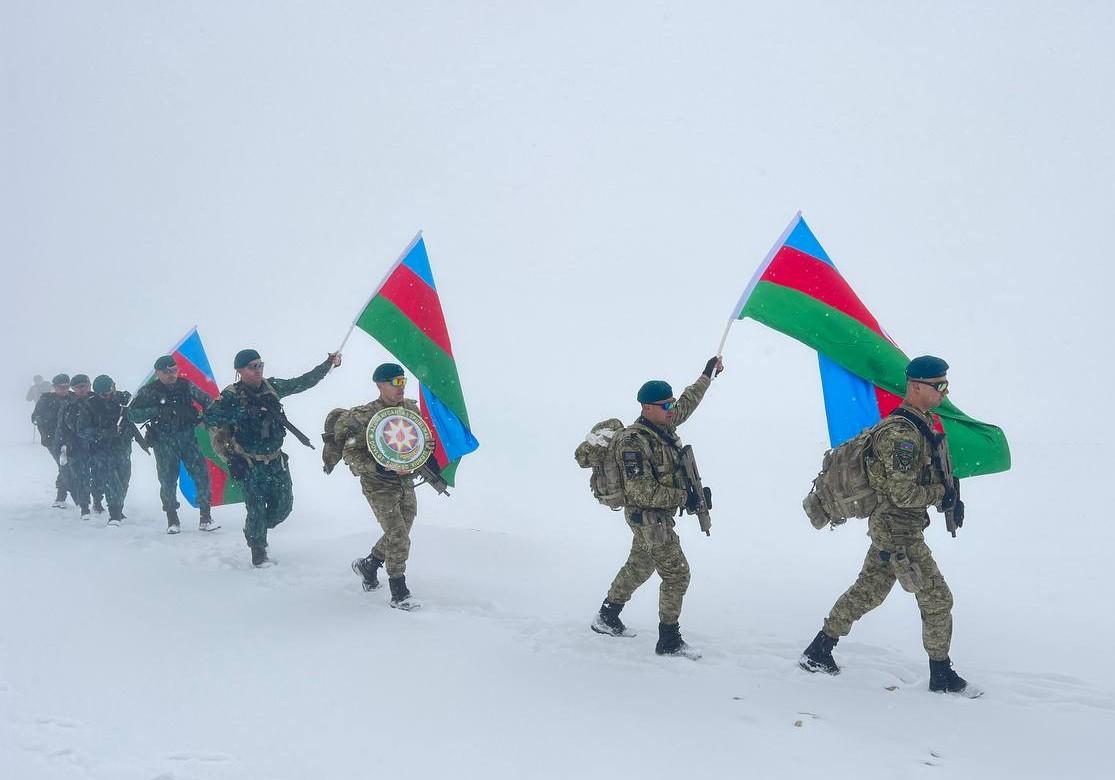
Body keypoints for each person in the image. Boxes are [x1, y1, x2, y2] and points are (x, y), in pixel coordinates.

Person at [799, 355, 976, 696]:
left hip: (894, 527)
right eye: (939, 385)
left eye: (945, 384)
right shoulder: (901, 436)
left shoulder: (920, 424)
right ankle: (941, 675)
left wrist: (947, 494)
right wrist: (941, 493)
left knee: (868, 592)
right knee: (938, 599)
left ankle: (819, 650)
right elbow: (902, 493)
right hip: (898, 532)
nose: (944, 392)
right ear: (917, 387)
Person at [591, 356, 723, 659]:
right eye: (665, 405)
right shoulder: (633, 443)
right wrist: (685, 498)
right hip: (648, 518)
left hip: (656, 516)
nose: (671, 409)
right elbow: (640, 491)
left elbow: (687, 402)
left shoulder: (664, 424)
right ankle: (669, 640)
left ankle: (607, 615)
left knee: (640, 565)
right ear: (646, 408)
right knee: (677, 575)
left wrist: (707, 374)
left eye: (671, 403)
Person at [203, 348, 341, 567]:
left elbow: (302, 382)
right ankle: (258, 551)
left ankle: (254, 528)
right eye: (252, 367)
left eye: (260, 365)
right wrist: (240, 415)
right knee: (256, 507)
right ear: (240, 370)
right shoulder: (231, 395)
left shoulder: (272, 387)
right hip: (249, 463)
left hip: (276, 461)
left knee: (283, 508)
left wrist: (328, 364)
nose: (258, 370)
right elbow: (210, 417)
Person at [337, 363, 437, 610]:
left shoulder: (410, 410)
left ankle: (369, 565)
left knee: (401, 531)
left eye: (403, 382)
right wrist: (380, 468)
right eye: (396, 383)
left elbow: (417, 442)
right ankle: (399, 592)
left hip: (405, 481)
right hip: (378, 484)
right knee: (398, 536)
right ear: (380, 385)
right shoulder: (363, 416)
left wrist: (427, 448)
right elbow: (351, 454)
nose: (401, 388)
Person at [128, 355, 215, 533]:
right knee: (167, 481)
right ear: (158, 373)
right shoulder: (149, 391)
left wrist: (202, 418)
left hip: (187, 438)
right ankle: (172, 519)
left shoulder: (185, 386)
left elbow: (209, 402)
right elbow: (133, 414)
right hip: (164, 442)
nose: (171, 374)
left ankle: (205, 516)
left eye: (174, 370)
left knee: (201, 475)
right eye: (166, 372)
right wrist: (157, 410)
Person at [84, 375, 141, 526]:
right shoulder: (90, 405)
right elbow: (83, 429)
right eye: (104, 395)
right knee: (111, 480)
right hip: (102, 449)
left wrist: (131, 408)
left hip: (123, 447)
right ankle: (114, 513)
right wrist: (105, 432)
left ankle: (118, 507)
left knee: (123, 479)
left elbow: (138, 411)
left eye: (110, 391)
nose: (108, 396)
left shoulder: (124, 399)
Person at [54, 374, 95, 520]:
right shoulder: (69, 405)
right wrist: (60, 446)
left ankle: (98, 502)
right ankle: (84, 507)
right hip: (77, 447)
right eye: (78, 387)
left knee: (99, 477)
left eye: (84, 385)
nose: (82, 389)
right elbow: (61, 428)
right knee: (81, 478)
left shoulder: (97, 401)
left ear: (89, 385)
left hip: (98, 446)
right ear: (73, 388)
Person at [32, 374, 74, 508]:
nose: (64, 389)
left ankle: (65, 497)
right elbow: (35, 417)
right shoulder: (46, 399)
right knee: (64, 466)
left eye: (66, 386)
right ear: (54, 387)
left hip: (71, 439)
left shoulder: (73, 398)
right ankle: (63, 497)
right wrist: (45, 431)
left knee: (68, 466)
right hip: (53, 440)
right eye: (60, 387)